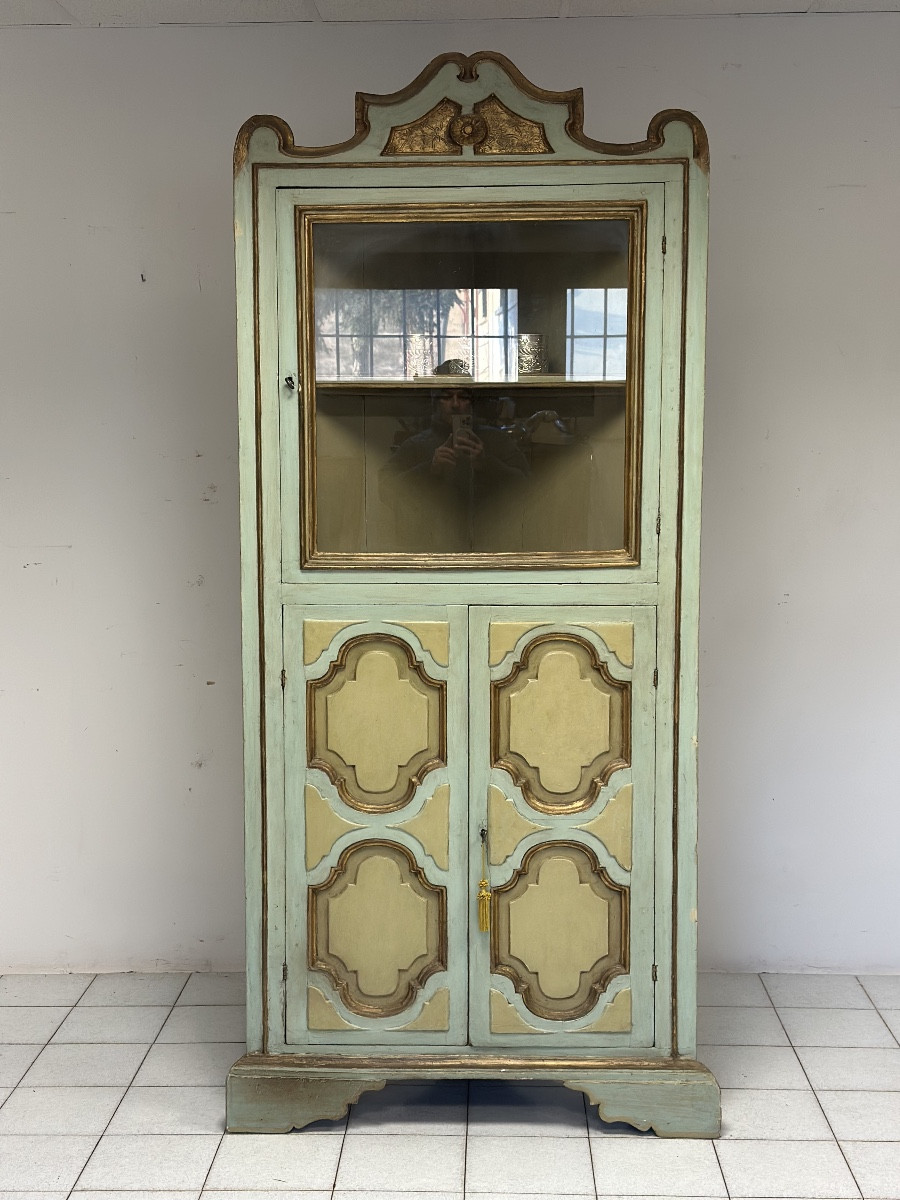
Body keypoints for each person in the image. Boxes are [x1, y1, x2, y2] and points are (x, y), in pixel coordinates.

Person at [380, 371, 529, 552]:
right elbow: (386, 488)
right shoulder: (416, 444)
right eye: (447, 397)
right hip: (430, 549)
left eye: (463, 397)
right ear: (436, 402)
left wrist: (487, 464)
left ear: (472, 403)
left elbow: (526, 486)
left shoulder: (497, 440)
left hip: (491, 546)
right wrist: (430, 468)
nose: (456, 404)